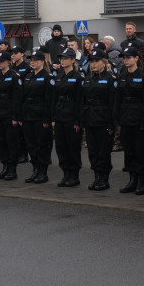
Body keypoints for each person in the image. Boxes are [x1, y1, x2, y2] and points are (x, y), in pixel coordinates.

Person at [114, 46, 144, 194]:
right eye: (124, 57)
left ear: (136, 58)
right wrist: (117, 120)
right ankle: (132, 180)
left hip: (138, 120)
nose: (126, 60)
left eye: (129, 57)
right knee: (128, 152)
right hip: (125, 120)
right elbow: (118, 100)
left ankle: (141, 182)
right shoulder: (122, 76)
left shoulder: (143, 76)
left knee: (140, 152)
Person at [18, 49, 54, 184]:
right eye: (31, 60)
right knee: (31, 145)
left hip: (40, 116)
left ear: (42, 61)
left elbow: (49, 100)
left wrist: (47, 119)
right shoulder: (28, 76)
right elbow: (22, 97)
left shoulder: (47, 77)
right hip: (28, 115)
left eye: (35, 60)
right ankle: (35, 170)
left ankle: (43, 172)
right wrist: (21, 116)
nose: (32, 62)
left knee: (42, 145)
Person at [82, 49, 116, 190]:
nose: (93, 64)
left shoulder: (110, 79)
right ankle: (96, 176)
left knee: (103, 151)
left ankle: (104, 179)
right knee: (93, 151)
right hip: (90, 119)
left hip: (103, 120)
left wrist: (111, 124)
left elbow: (113, 104)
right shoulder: (88, 78)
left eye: (96, 61)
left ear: (104, 62)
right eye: (91, 61)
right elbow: (84, 101)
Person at [52, 47, 84, 188]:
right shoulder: (59, 76)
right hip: (60, 115)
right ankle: (65, 173)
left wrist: (78, 120)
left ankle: (74, 175)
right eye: (61, 58)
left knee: (73, 147)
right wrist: (53, 117)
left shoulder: (77, 77)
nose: (63, 60)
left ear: (72, 60)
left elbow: (79, 100)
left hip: (71, 116)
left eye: (66, 58)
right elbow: (54, 98)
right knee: (61, 147)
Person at [0, 50, 21, 181]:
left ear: (9, 62)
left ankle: (12, 169)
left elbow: (17, 98)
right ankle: (4, 167)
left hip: (9, 113)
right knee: (0, 142)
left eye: (2, 62)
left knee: (11, 142)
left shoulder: (14, 76)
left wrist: (15, 117)